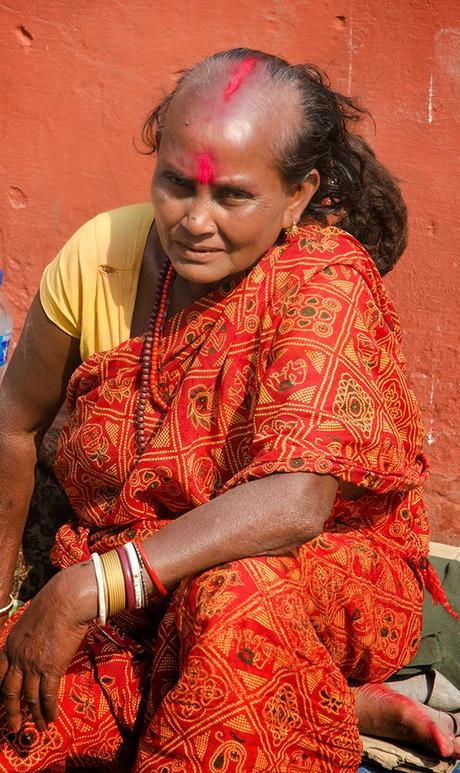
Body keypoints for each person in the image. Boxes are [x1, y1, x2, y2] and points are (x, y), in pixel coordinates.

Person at [0, 48, 457, 771]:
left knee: (232, 596)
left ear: (298, 196)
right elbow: (12, 425)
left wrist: (87, 588)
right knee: (22, 717)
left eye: (233, 197)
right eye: (176, 185)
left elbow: (297, 501)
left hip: (305, 580)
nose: (195, 221)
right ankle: (336, 702)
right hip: (136, 598)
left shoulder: (323, 276)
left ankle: (314, 678)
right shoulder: (101, 253)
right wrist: (7, 612)